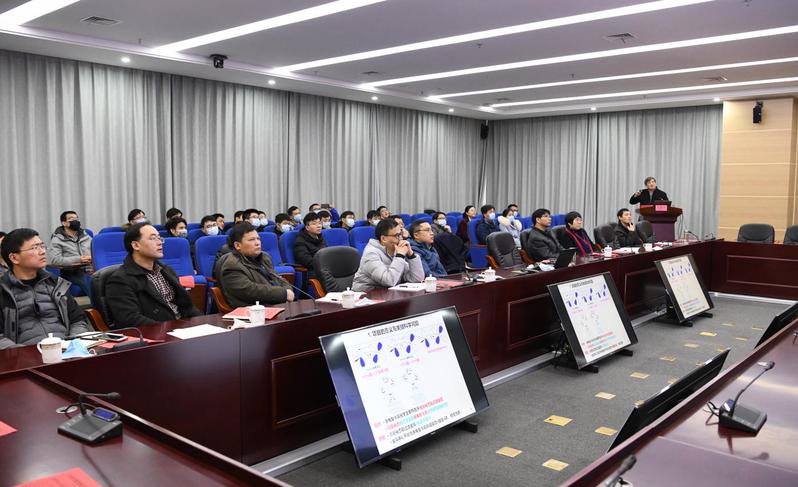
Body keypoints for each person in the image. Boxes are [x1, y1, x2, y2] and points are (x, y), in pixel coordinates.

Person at [1, 228, 92, 348]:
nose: (42, 252)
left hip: (66, 350)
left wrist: (72, 345)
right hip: (25, 355)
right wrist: (23, 354)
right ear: (14, 258)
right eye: (34, 248)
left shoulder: (56, 284)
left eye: (42, 246)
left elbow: (77, 320)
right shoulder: (3, 291)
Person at [105, 223, 200, 328]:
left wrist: (201, 323)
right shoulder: (120, 280)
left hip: (183, 328)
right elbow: (130, 319)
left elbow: (187, 306)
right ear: (136, 245)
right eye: (153, 238)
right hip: (157, 332)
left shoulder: (167, 271)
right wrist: (168, 329)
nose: (159, 243)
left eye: (160, 238)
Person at [217, 223, 294, 307]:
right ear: (238, 245)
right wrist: (283, 293)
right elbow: (250, 291)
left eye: (258, 239)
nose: (257, 243)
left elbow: (278, 279)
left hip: (273, 304)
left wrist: (288, 290)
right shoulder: (231, 265)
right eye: (252, 240)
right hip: (252, 310)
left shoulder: (264, 257)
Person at [352, 219, 424, 292]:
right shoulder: (371, 254)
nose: (401, 238)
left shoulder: (396, 251)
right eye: (397, 235)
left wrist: (411, 255)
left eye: (401, 234)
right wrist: (400, 256)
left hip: (387, 293)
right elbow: (389, 281)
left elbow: (417, 279)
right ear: (383, 239)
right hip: (366, 294)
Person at [47, 211, 93, 297]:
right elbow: (55, 260)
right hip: (72, 271)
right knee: (93, 286)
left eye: (76, 218)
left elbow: (95, 250)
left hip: (90, 268)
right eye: (71, 219)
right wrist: (79, 259)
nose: (75, 221)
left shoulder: (86, 236)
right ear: (64, 223)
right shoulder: (57, 240)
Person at [293, 213, 327, 279]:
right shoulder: (300, 242)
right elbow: (307, 262)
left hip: (325, 268)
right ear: (307, 227)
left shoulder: (320, 238)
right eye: (314, 224)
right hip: (312, 271)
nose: (319, 226)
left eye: (319, 223)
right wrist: (327, 263)